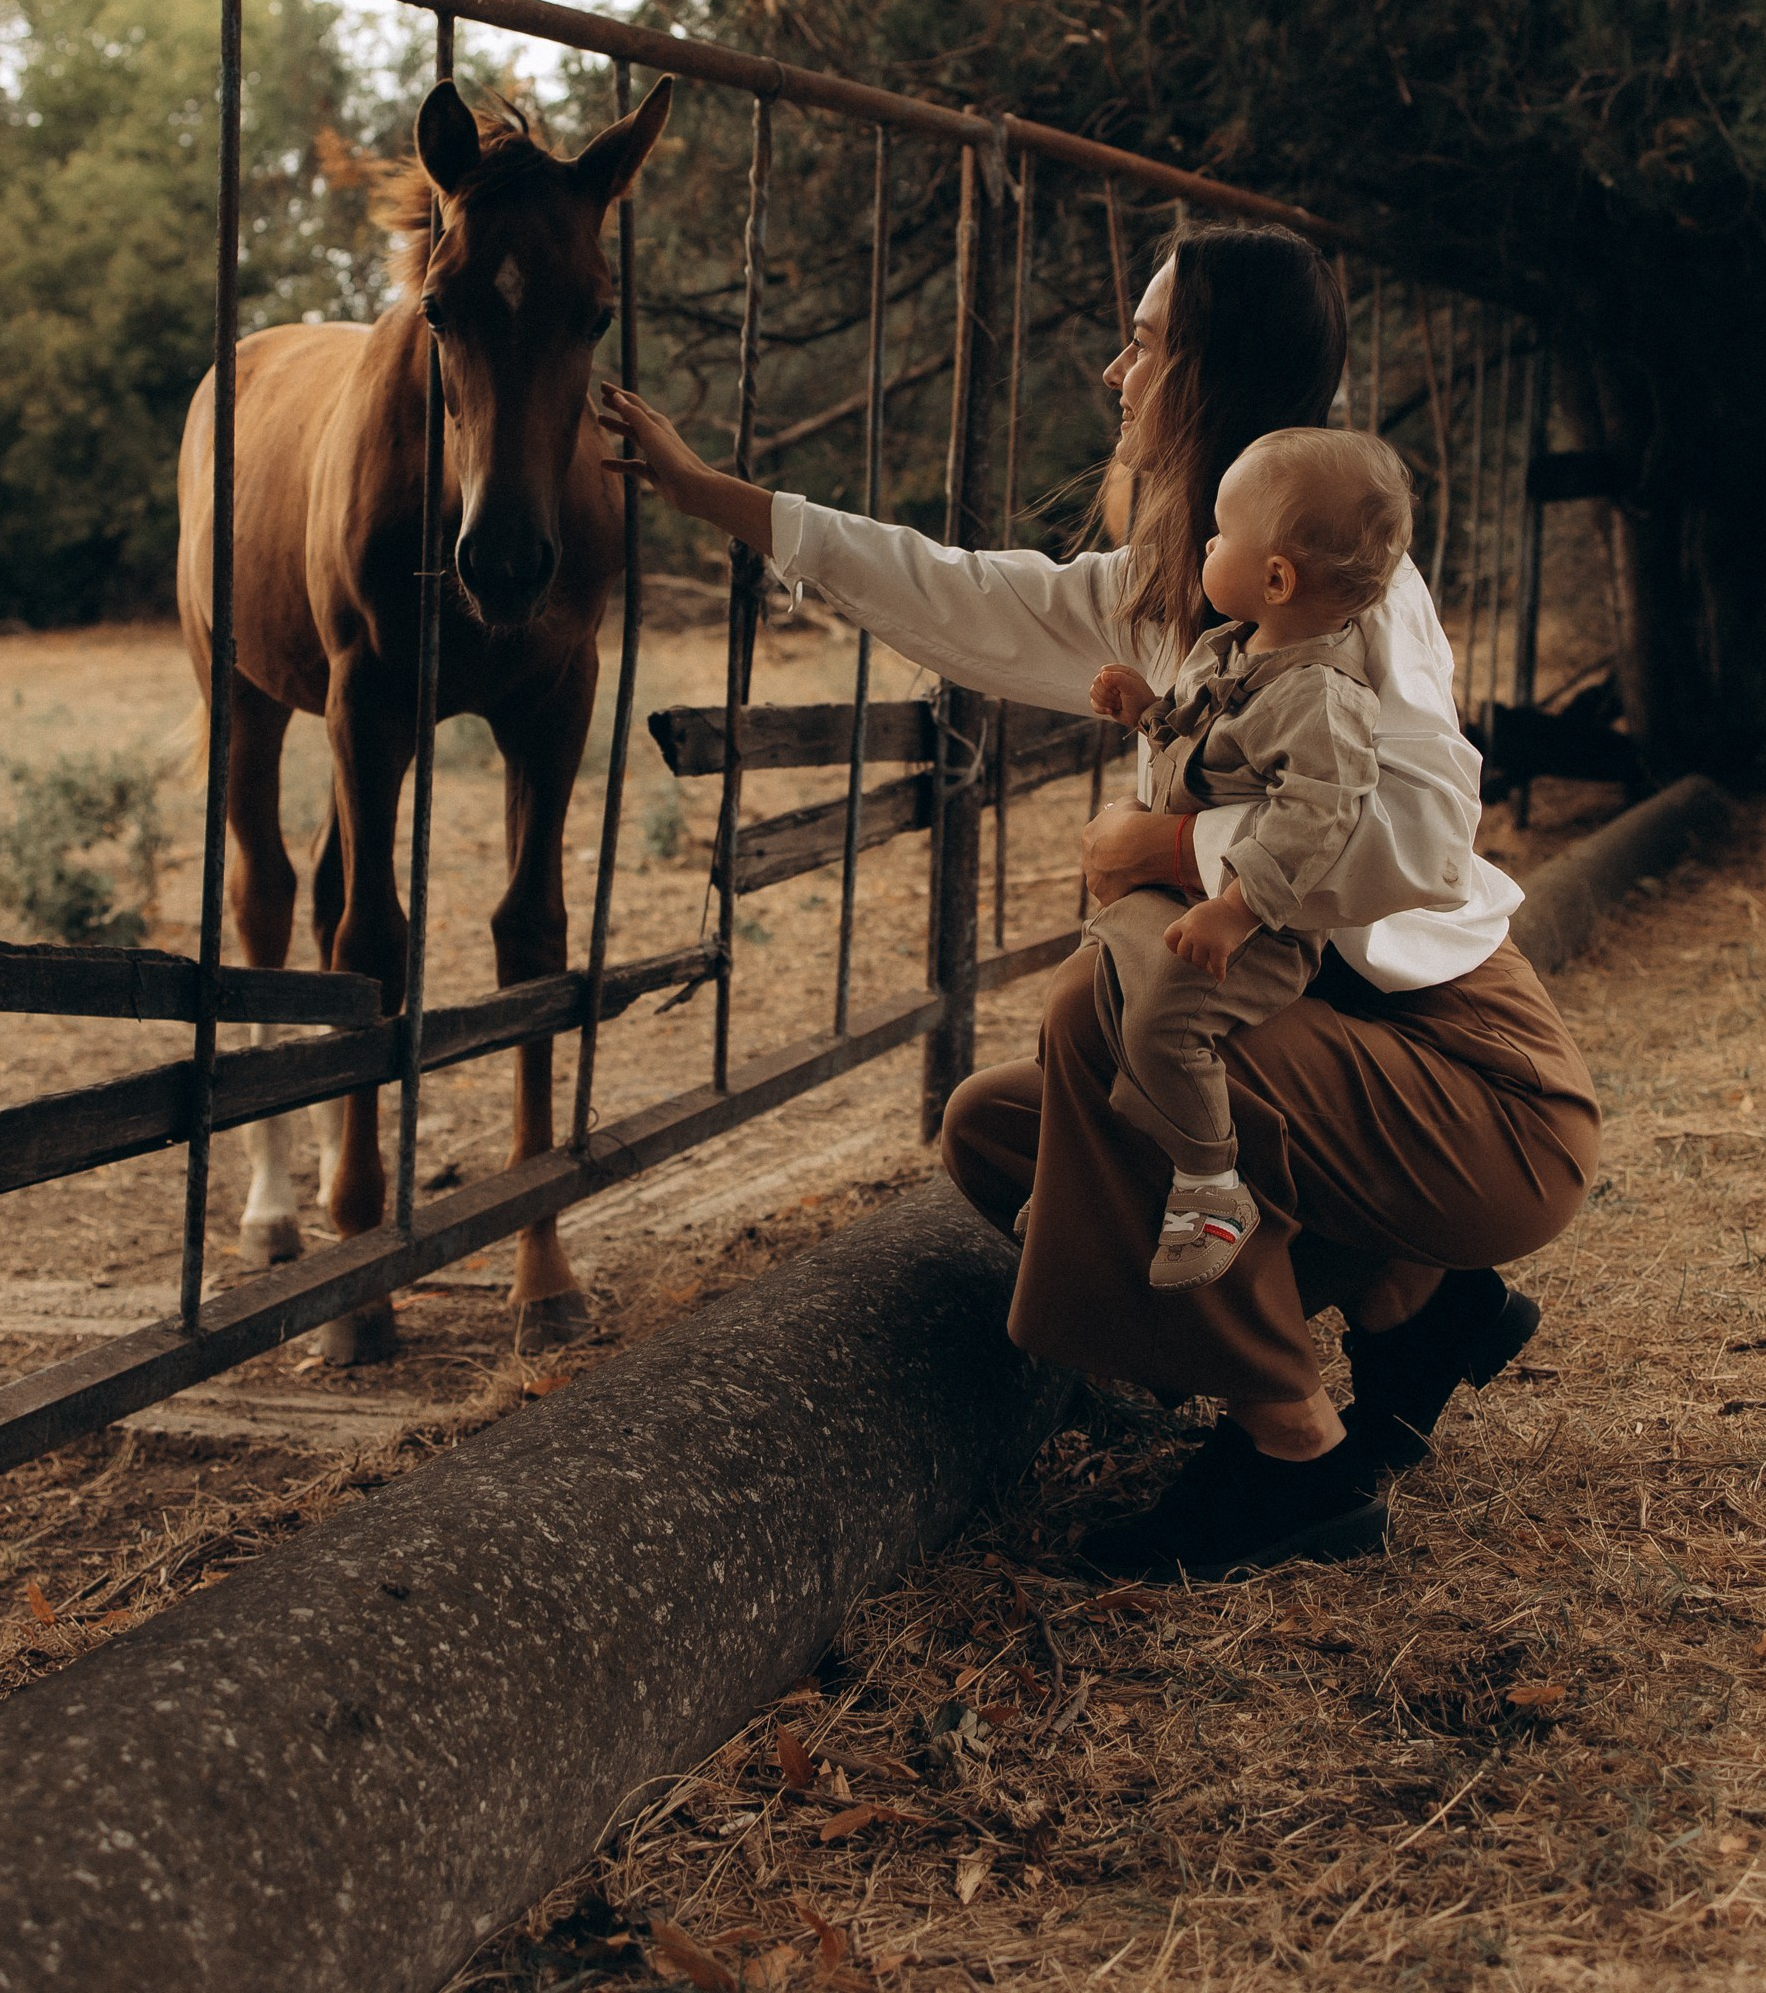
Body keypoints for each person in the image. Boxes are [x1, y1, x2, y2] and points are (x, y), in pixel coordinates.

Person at [598, 219, 1600, 1582]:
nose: (1115, 373)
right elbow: (961, 596)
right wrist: (717, 494)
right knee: (1003, 1134)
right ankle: (1416, 1304)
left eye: (1143, 342)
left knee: (1097, 1014)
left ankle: (1291, 1456)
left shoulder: (1347, 607)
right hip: (1365, 1068)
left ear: (1209, 371)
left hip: (1484, 1092)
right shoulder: (1192, 593)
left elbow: (1428, 829)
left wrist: (1176, 850)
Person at [1079, 424, 1433, 1293]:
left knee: (1164, 1021)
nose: (1204, 543)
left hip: (1256, 933)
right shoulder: (1230, 649)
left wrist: (1235, 911)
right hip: (1185, 904)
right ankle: (1096, 1188)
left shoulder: (1321, 697)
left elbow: (1320, 815)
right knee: (1099, 1000)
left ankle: (1212, 1188)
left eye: (1220, 533)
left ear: (1276, 577)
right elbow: (1205, 744)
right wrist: (1147, 714)